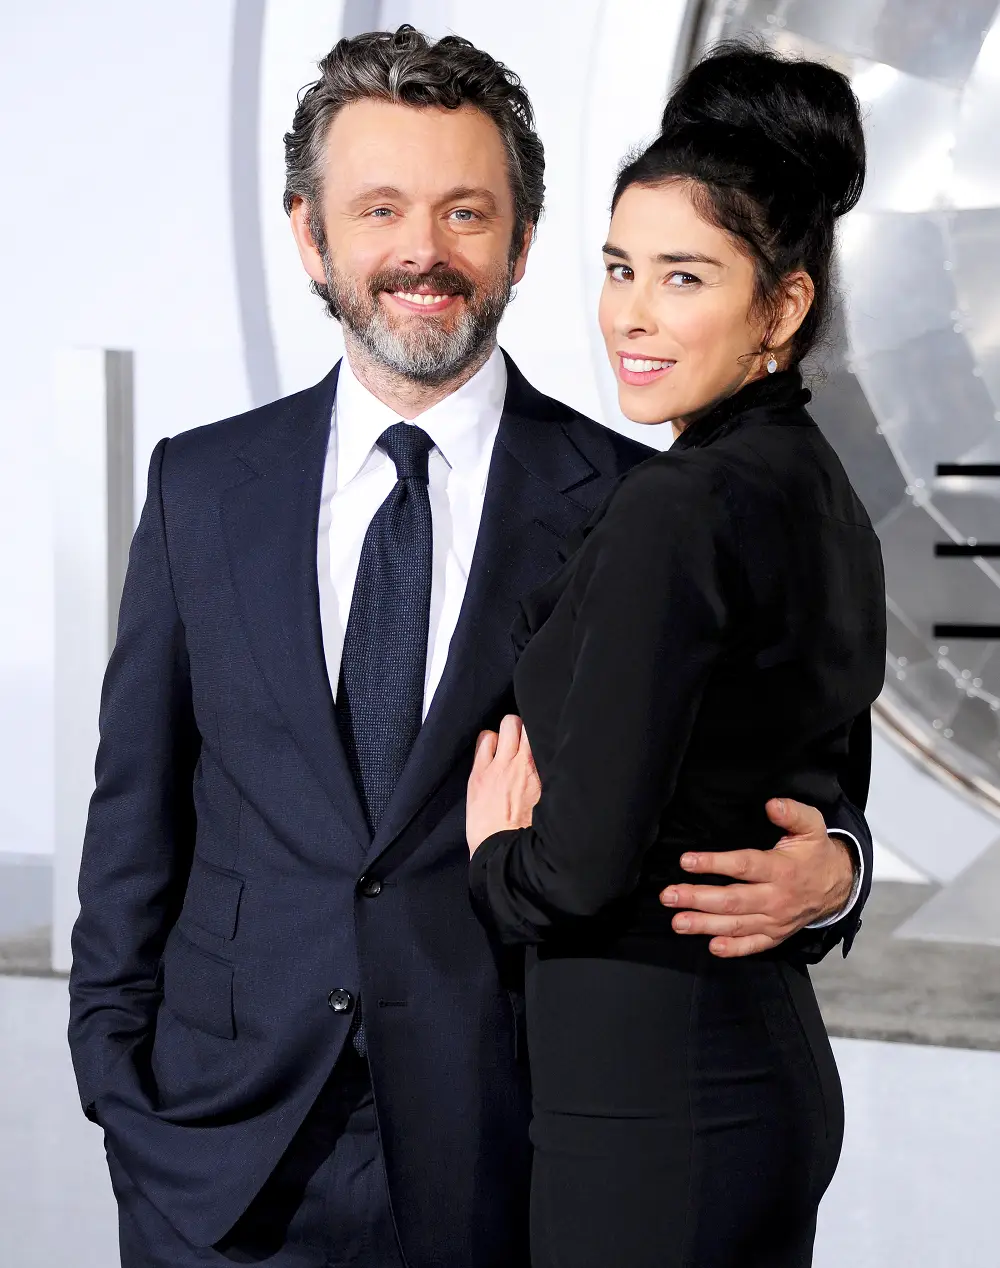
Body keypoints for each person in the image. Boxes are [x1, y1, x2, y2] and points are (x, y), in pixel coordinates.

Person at [68, 27, 873, 1268]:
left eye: (464, 211)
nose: (422, 253)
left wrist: (840, 870)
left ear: (522, 241)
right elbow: (135, 820)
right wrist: (118, 1089)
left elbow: (804, 765)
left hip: (509, 1155)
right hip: (216, 1161)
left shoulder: (634, 495)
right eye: (379, 207)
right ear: (310, 234)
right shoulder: (201, 488)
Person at [467, 41, 886, 1268]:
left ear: (785, 304)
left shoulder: (680, 505)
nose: (631, 315)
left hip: (651, 1107)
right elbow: (814, 787)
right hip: (745, 1076)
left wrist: (497, 856)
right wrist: (839, 865)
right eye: (618, 268)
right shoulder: (816, 488)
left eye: (684, 276)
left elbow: (577, 869)